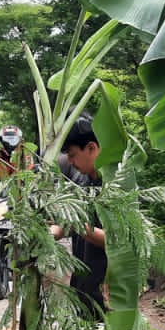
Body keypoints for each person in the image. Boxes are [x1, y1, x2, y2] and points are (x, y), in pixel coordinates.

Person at [52, 114, 109, 316]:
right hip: (82, 289)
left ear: (91, 148)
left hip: (107, 291)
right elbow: (64, 226)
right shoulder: (81, 182)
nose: (69, 161)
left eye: (73, 155)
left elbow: (119, 241)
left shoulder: (116, 185)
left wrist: (78, 225)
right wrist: (46, 234)